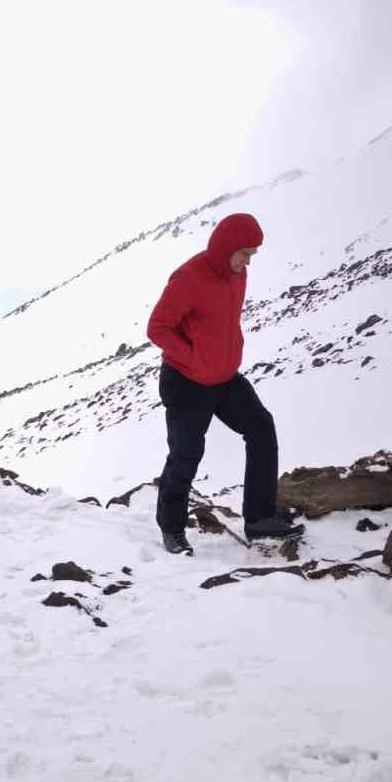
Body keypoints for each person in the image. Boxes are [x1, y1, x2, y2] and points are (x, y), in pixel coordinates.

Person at [146, 212, 298, 554]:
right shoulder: (188, 278)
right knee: (186, 455)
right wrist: (195, 358)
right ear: (226, 247)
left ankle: (259, 520)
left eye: (252, 255)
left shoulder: (237, 274)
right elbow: (157, 328)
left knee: (261, 427)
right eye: (244, 253)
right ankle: (171, 529)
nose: (247, 262)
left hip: (224, 378)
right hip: (186, 381)